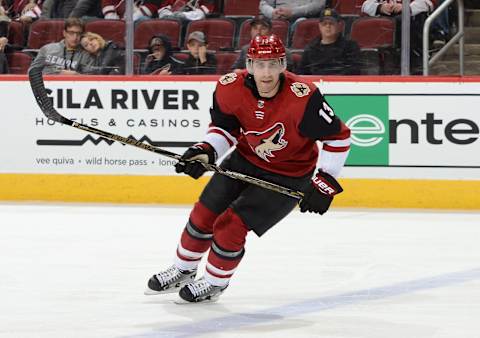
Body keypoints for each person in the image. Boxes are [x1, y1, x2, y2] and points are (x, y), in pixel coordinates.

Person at [144, 34, 351, 303]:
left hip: (288, 175)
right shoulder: (230, 87)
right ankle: (183, 270)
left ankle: (215, 283)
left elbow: (339, 136)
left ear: (283, 65)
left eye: (273, 64)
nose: (266, 73)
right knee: (203, 213)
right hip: (245, 160)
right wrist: (205, 151)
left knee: (230, 226)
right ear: (249, 64)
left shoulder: (304, 97)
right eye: (260, 65)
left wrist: (324, 182)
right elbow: (224, 130)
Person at [361, 0, 437, 74]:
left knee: (404, 21)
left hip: (411, 26)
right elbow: (365, 5)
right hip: (384, 25)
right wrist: (380, 7)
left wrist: (407, 8)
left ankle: (415, 63)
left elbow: (429, 3)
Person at [297, 8, 361, 75]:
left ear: (339, 25)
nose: (328, 26)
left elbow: (354, 70)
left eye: (331, 23)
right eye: (324, 24)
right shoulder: (311, 48)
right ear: (319, 26)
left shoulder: (350, 46)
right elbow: (301, 72)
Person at [29, 17, 94, 74]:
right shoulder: (47, 49)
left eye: (78, 34)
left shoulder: (87, 55)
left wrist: (76, 75)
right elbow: (31, 72)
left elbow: (90, 78)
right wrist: (58, 73)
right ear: (64, 33)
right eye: (71, 33)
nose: (75, 37)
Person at [259, 0, 325, 25]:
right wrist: (272, 12)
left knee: (301, 23)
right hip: (278, 19)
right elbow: (263, 4)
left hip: (303, 19)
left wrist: (293, 12)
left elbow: (318, 5)